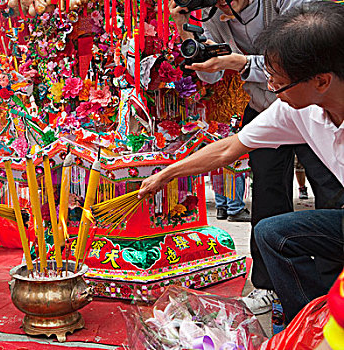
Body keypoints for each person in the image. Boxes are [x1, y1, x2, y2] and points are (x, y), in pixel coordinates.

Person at [139, 0, 344, 323]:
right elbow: (228, 148)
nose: (271, 88)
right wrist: (167, 174)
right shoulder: (293, 108)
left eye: (278, 81)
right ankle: (310, 318)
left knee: (330, 195)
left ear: (320, 82)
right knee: (272, 230)